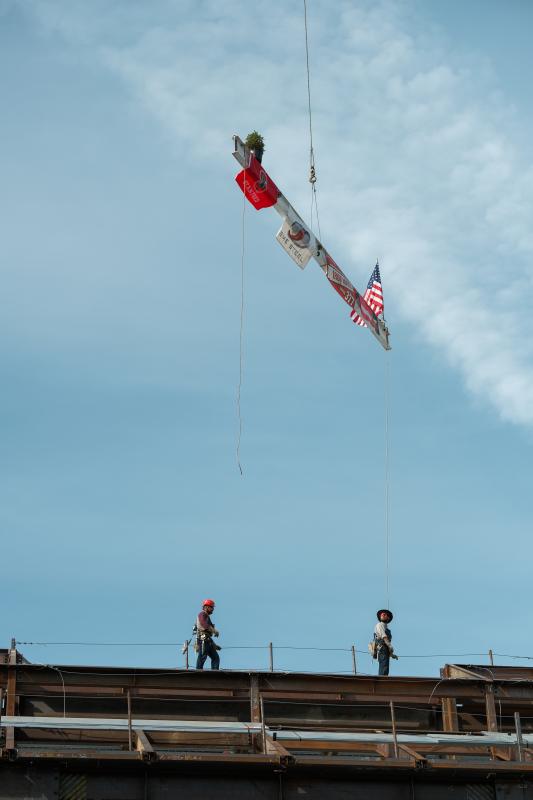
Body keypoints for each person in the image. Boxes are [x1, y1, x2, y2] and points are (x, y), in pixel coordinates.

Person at [195, 598, 220, 670]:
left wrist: (215, 645)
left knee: (215, 658)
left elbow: (208, 635)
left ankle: (215, 673)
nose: (213, 609)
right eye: (211, 607)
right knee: (202, 656)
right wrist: (214, 631)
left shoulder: (207, 616)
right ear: (206, 607)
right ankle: (198, 672)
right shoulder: (202, 614)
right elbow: (204, 624)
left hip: (208, 640)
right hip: (203, 640)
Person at [374, 609, 396, 676]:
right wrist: (390, 646)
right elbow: (384, 637)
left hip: (386, 650)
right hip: (382, 649)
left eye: (385, 614)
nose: (383, 614)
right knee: (383, 666)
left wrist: (392, 654)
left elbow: (387, 641)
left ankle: (383, 680)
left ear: (388, 618)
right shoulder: (379, 625)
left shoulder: (387, 629)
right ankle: (381, 682)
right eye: (382, 614)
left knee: (386, 667)